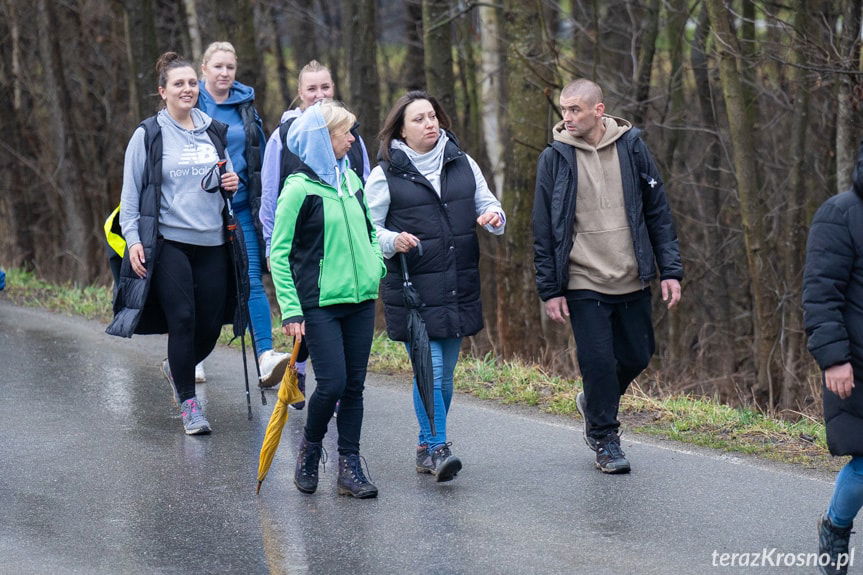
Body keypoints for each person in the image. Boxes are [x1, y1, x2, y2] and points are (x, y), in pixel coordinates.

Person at [532, 78, 682, 474]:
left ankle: (595, 401)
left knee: (637, 355)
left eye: (575, 110)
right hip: (583, 279)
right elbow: (543, 228)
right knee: (598, 361)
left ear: (599, 110)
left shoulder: (633, 148)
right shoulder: (555, 157)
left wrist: (670, 270)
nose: (567, 118)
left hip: (633, 275)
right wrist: (550, 290)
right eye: (563, 110)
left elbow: (658, 213)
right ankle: (605, 438)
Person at [366, 91, 506, 482]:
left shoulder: (461, 162)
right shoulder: (385, 174)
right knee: (430, 369)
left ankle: (425, 447)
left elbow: (488, 204)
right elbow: (367, 231)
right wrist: (394, 241)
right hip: (413, 289)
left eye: (433, 117)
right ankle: (439, 445)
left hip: (457, 284)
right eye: (419, 119)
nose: (430, 124)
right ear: (401, 130)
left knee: (444, 377)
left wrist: (494, 217)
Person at [106, 52, 242, 435]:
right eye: (178, 84)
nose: (187, 89)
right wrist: (133, 240)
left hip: (213, 241)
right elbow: (130, 196)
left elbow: (226, 175)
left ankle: (175, 367)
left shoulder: (213, 129)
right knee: (182, 319)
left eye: (191, 83)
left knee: (212, 323)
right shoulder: (148, 134)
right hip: (168, 243)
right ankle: (189, 405)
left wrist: (231, 181)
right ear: (162, 91)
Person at [270, 101, 386, 498]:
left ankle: (349, 467)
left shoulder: (352, 181)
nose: (352, 139)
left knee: (354, 386)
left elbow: (371, 230)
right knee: (332, 383)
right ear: (322, 139)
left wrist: (376, 267)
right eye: (344, 133)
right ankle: (310, 447)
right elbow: (279, 252)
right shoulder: (298, 189)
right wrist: (291, 308)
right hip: (319, 305)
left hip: (360, 301)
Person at [260, 59, 372, 409]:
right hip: (302, 246)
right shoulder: (282, 139)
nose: (319, 94)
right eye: (312, 88)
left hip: (342, 250)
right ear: (299, 94)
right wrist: (270, 246)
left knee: (331, 329)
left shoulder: (351, 137)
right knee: (308, 316)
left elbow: (365, 191)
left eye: (325, 87)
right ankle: (301, 373)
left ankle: (326, 384)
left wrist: (373, 259)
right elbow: (269, 195)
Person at [197, 41, 290, 388]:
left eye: (230, 67)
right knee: (204, 285)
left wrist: (266, 204)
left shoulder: (246, 108)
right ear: (203, 68)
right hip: (201, 214)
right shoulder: (192, 103)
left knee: (250, 280)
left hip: (241, 210)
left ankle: (266, 356)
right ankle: (191, 357)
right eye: (217, 66)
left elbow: (262, 160)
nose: (224, 73)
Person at [803, 141, 863, 575]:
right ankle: (836, 528)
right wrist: (834, 358)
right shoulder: (840, 214)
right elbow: (821, 294)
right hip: (856, 360)